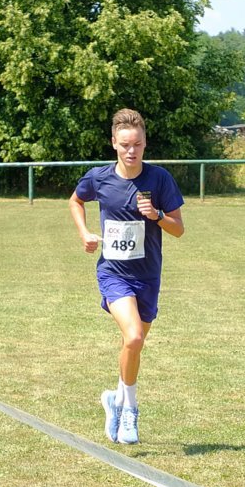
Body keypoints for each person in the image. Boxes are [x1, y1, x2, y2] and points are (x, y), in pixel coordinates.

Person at [69, 109, 185, 445]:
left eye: (136, 145)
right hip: (113, 273)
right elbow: (76, 202)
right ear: (114, 144)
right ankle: (131, 409)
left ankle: (115, 399)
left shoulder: (159, 179)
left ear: (145, 144)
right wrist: (84, 234)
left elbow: (178, 229)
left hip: (148, 276)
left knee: (133, 345)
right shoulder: (99, 178)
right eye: (124, 145)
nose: (131, 151)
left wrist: (158, 215)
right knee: (133, 337)